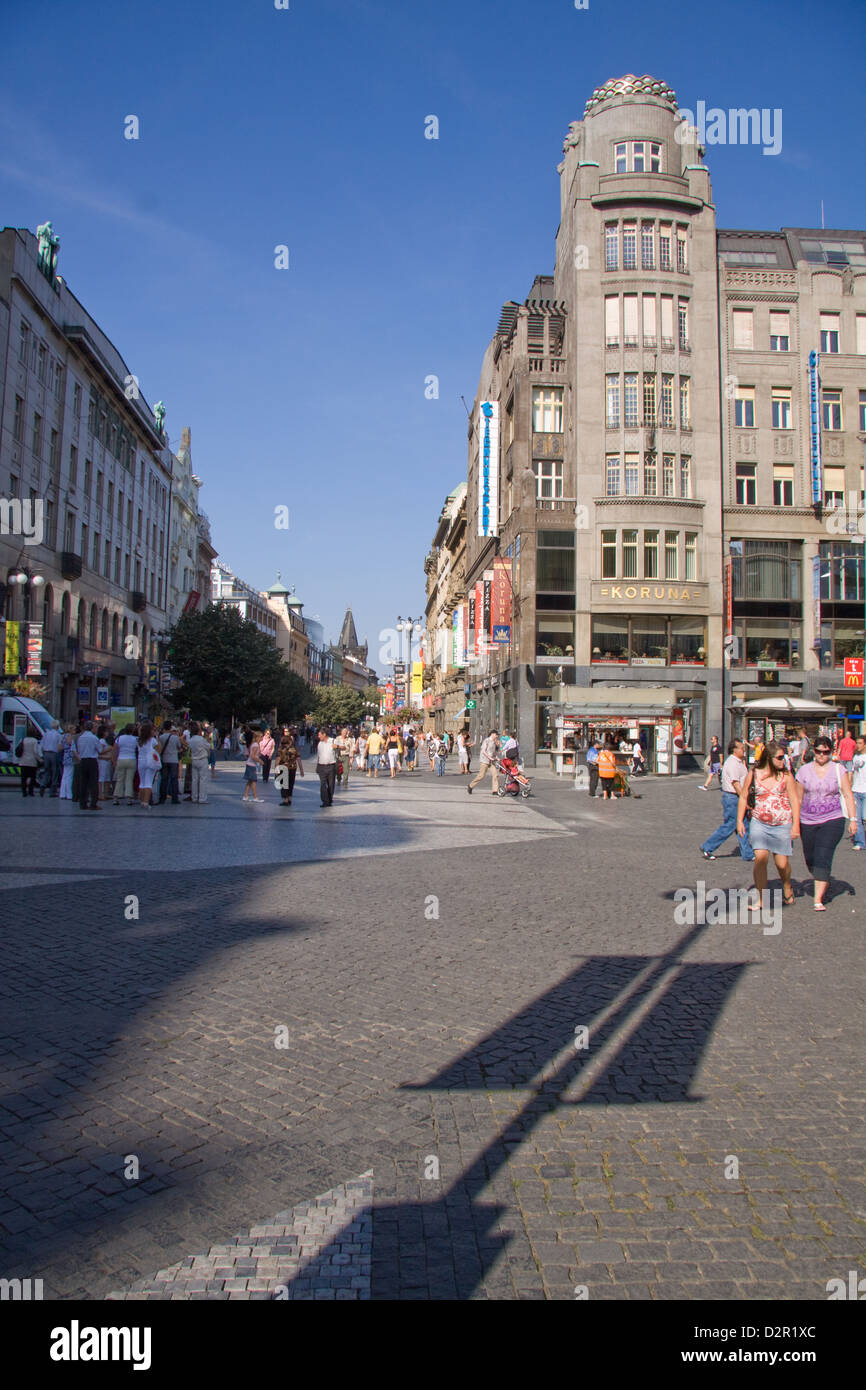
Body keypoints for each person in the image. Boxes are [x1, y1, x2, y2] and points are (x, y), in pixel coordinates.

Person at [795, 735, 858, 909]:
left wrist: (853, 819)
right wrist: (793, 822)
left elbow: (847, 794)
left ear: (831, 752)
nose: (822, 755)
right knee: (811, 858)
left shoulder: (839, 770)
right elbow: (798, 798)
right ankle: (822, 877)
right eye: (818, 751)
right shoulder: (804, 771)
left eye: (826, 752)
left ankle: (818, 898)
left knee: (823, 854)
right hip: (807, 820)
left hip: (833, 819)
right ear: (813, 751)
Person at [736, 741, 799, 910]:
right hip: (759, 822)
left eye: (784, 757)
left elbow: (794, 799)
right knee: (760, 859)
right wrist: (739, 820)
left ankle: (787, 885)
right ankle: (760, 899)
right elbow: (743, 796)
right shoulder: (754, 773)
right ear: (769, 758)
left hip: (782, 824)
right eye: (779, 757)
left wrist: (796, 825)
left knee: (781, 864)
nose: (783, 760)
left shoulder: (786, 775)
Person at [701, 739, 755, 863]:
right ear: (734, 750)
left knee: (744, 825)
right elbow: (735, 784)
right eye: (741, 748)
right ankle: (707, 846)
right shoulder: (732, 763)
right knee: (731, 825)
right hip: (733, 797)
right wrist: (744, 799)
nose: (743, 749)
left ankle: (747, 853)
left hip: (736, 797)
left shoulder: (740, 762)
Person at [274, 729, 304, 805]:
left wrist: (276, 769)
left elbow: (277, 760)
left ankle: (285, 800)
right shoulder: (294, 749)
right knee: (290, 784)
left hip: (283, 768)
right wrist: (301, 770)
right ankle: (289, 798)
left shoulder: (281, 749)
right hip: (292, 768)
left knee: (284, 784)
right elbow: (299, 759)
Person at [76, 720, 101, 810]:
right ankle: (93, 803)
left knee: (83, 783)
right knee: (93, 783)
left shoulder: (80, 737)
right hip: (92, 761)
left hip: (82, 760)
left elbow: (79, 749)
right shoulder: (94, 738)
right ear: (91, 728)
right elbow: (100, 750)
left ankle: (82, 803)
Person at [467, 729, 500, 795]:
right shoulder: (486, 740)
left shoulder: (494, 742)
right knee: (481, 776)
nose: (497, 736)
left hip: (491, 762)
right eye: (496, 735)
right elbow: (483, 751)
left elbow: (493, 752)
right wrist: (489, 757)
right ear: (492, 734)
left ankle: (495, 790)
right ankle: (471, 786)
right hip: (484, 761)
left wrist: (496, 757)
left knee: (495, 775)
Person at [157, 721, 181, 805]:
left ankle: (162, 798)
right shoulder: (175, 737)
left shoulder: (161, 737)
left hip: (164, 760)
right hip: (174, 760)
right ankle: (175, 798)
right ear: (171, 727)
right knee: (174, 779)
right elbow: (179, 747)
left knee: (164, 779)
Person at [137, 722, 160, 807]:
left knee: (142, 782)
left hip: (140, 762)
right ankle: (146, 802)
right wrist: (157, 737)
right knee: (148, 783)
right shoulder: (153, 740)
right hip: (150, 762)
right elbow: (158, 750)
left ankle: (142, 800)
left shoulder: (139, 740)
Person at [113, 724, 139, 805]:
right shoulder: (136, 739)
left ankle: (116, 797)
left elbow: (115, 749)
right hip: (131, 759)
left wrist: (114, 760)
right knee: (129, 779)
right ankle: (129, 798)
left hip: (121, 759)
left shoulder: (119, 738)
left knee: (120, 779)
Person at [187, 721, 210, 803]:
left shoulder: (191, 740)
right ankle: (202, 798)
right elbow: (208, 746)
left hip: (194, 760)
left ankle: (194, 797)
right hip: (202, 759)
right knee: (203, 779)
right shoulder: (201, 739)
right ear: (198, 731)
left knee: (194, 780)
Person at [850, 733, 866, 851]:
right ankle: (860, 843)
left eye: (860, 743)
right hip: (856, 790)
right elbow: (852, 773)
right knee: (857, 818)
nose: (857, 746)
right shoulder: (855, 757)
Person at [40, 719, 62, 796]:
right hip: (54, 754)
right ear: (58, 726)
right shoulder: (58, 735)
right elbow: (59, 747)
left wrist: (44, 753)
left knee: (46, 771)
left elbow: (42, 746)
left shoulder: (46, 734)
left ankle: (42, 785)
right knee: (55, 772)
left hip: (46, 754)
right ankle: (52, 791)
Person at [19, 728, 43, 797]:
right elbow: (35, 752)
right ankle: (30, 791)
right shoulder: (34, 741)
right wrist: (40, 759)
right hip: (32, 762)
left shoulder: (23, 740)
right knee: (32, 777)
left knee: (23, 778)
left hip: (23, 761)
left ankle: (24, 792)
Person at [316, 729, 337, 806]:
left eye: (319, 735)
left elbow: (343, 747)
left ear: (324, 734)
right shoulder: (319, 744)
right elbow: (319, 755)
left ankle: (329, 798)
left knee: (331, 784)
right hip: (321, 766)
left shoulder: (333, 741)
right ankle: (325, 801)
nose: (318, 736)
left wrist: (337, 746)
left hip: (331, 765)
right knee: (323, 784)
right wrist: (317, 766)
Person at [242, 732, 262, 802]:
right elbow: (252, 756)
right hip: (252, 765)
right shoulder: (256, 745)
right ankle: (255, 797)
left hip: (249, 764)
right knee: (253, 781)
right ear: (256, 738)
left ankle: (245, 796)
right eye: (260, 737)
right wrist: (259, 761)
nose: (261, 738)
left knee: (250, 781)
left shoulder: (253, 744)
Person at [59, 725, 77, 799]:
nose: (75, 731)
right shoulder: (69, 736)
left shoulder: (62, 736)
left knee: (65, 775)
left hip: (65, 755)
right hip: (70, 756)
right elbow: (71, 743)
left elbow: (59, 747)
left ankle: (63, 793)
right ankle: (69, 794)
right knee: (69, 776)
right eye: (74, 729)